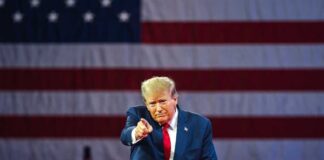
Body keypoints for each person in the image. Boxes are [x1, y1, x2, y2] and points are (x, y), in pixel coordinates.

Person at [120, 76, 218, 160]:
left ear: (175, 99)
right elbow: (125, 136)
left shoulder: (200, 125)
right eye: (152, 104)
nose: (158, 109)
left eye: (162, 102)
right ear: (146, 104)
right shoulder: (138, 114)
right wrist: (136, 132)